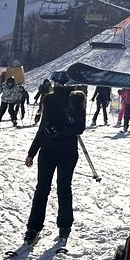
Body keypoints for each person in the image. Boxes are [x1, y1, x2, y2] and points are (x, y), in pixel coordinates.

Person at [23, 86, 87, 243]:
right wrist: (32, 152)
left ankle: (65, 226)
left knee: (63, 188)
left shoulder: (75, 98)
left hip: (67, 152)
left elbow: (79, 127)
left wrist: (59, 130)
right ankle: (33, 227)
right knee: (42, 189)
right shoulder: (49, 99)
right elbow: (42, 128)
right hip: (48, 151)